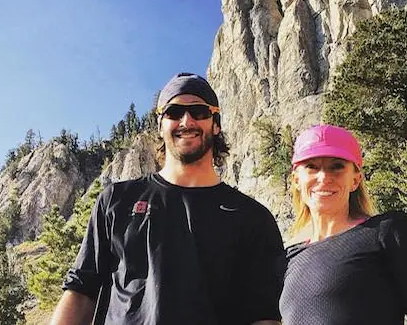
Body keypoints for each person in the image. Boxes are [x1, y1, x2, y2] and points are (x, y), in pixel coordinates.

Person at [51, 73, 285, 325]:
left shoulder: (252, 217)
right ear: (160, 125)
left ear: (215, 124)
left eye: (199, 111)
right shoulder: (116, 200)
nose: (187, 121)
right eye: (174, 112)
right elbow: (82, 290)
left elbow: (264, 315)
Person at [279, 124, 407, 325]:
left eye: (337, 166)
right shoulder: (289, 257)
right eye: (312, 167)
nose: (324, 177)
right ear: (296, 179)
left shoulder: (386, 232)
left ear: (355, 179)